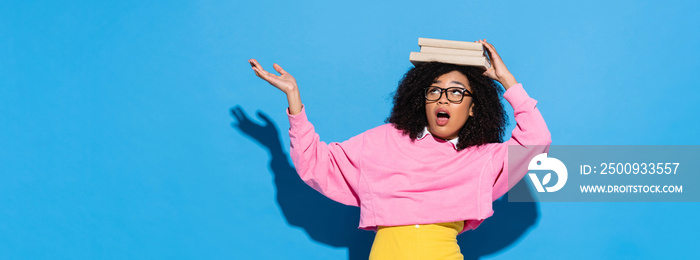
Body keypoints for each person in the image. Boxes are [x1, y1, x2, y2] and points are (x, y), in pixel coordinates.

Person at [249, 40, 551, 260]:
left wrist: (508, 82)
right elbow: (315, 164)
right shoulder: (382, 141)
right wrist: (294, 103)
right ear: (422, 98)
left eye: (457, 92)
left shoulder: (482, 158)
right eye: (435, 90)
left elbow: (536, 141)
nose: (443, 99)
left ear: (474, 108)